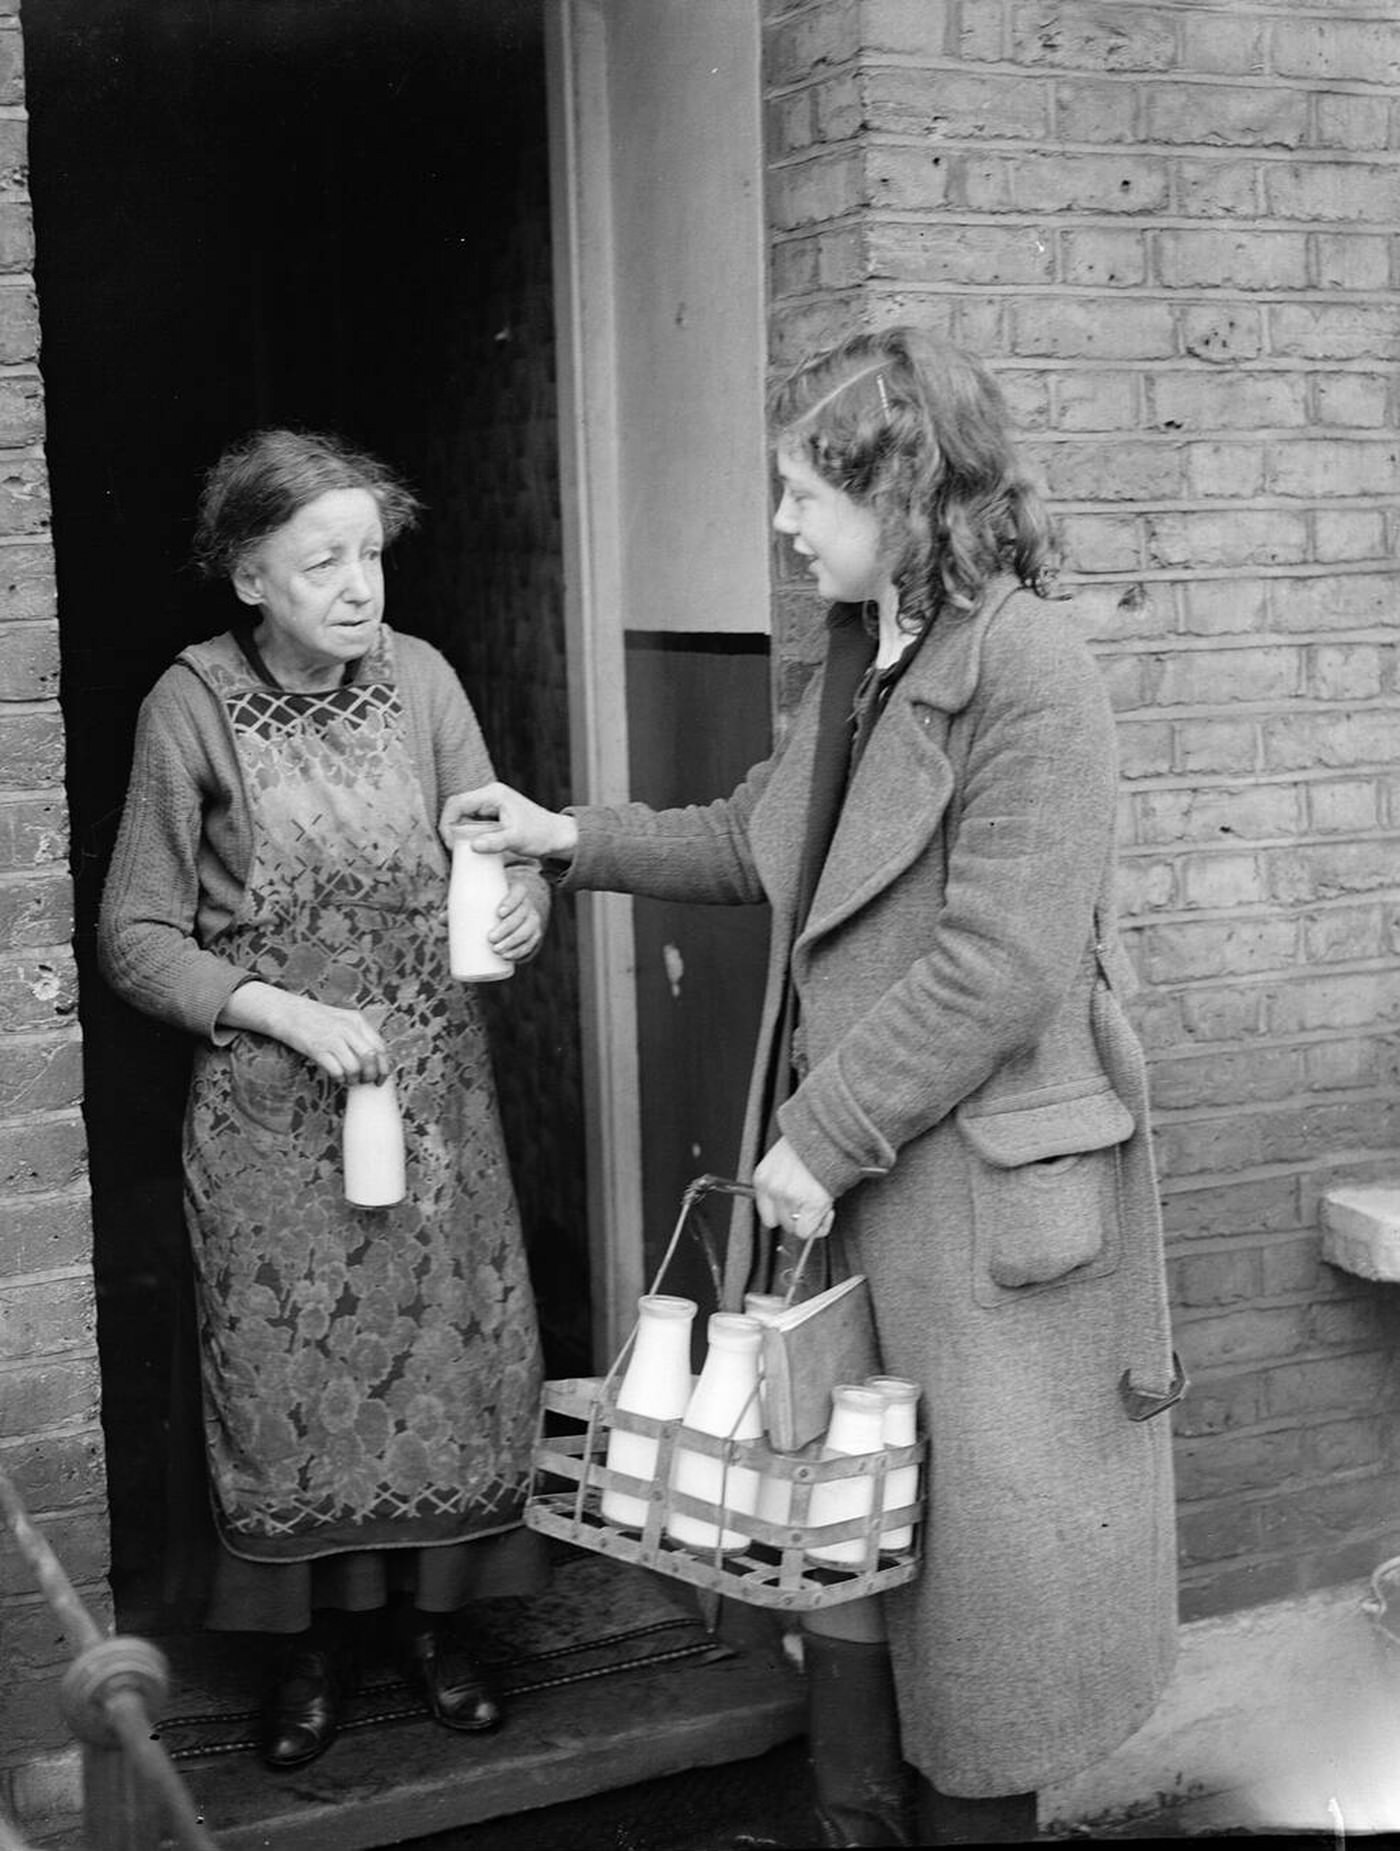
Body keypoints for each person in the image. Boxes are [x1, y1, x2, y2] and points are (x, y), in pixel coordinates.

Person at [441, 327, 1182, 1846]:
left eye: (803, 494)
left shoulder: (1030, 668)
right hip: (858, 1196)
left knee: (982, 1630)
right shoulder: (865, 652)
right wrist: (563, 837)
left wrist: (820, 1137)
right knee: (843, 1550)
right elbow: (751, 840)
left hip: (974, 1206)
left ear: (902, 492)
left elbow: (1004, 963)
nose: (782, 527)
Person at [99, 428, 548, 1771]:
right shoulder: (191, 704)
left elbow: (495, 841)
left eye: (371, 556)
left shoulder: (424, 685)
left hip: (432, 1099)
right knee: (292, 1384)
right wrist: (280, 1013)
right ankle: (310, 1655)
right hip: (272, 1119)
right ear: (249, 575)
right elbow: (135, 931)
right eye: (322, 561)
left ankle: (438, 1632)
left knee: (454, 1367)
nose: (361, 587)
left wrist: (522, 897)